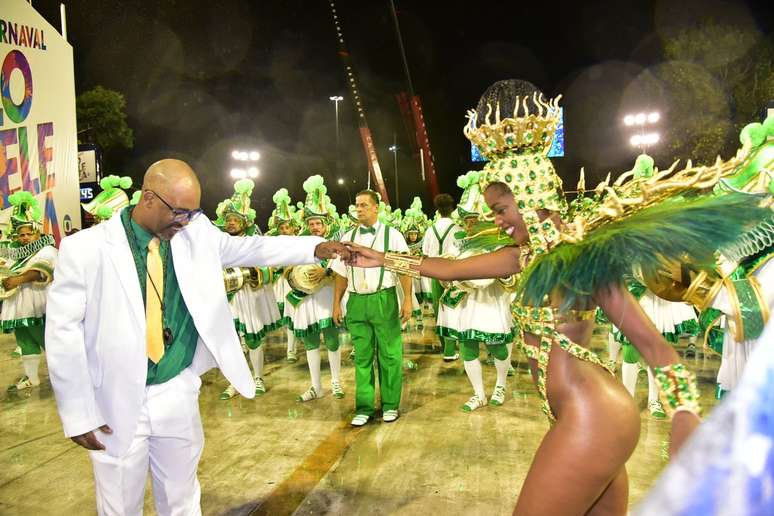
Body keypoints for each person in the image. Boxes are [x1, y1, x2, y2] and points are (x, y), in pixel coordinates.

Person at [346, 80, 766, 514]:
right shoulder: (521, 257)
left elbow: (659, 352)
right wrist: (380, 258)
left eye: (502, 210)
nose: (498, 221)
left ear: (531, 198)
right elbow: (449, 269)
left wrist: (684, 415)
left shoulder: (581, 260)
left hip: (595, 415)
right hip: (573, 413)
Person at [45, 159, 349, 515]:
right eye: (178, 212)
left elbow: (251, 248)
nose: (185, 221)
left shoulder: (193, 230)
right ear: (147, 199)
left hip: (176, 389)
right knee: (118, 506)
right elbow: (62, 332)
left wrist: (314, 248)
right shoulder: (85, 249)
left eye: (192, 213)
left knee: (182, 498)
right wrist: (77, 412)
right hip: (113, 401)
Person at [434, 171, 516, 412]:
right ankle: (479, 394)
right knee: (467, 347)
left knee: (497, 346)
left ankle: (500, 385)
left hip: (491, 301)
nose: (469, 223)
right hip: (467, 303)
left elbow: (512, 278)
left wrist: (501, 274)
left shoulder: (501, 241)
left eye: (474, 218)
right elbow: (446, 267)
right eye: (467, 218)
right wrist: (450, 278)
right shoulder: (457, 240)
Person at [331, 189, 413, 426]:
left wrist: (407, 298)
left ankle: (390, 405)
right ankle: (364, 407)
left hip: (383, 299)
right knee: (362, 357)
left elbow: (404, 268)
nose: (359, 209)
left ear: (377, 207)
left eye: (364, 205)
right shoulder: (347, 236)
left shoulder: (393, 235)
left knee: (389, 354)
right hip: (356, 301)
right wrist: (336, 303)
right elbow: (340, 274)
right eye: (357, 205)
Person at [215, 179, 283, 399]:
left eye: (235, 219)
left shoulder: (255, 240)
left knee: (252, 339)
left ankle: (257, 378)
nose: (231, 223)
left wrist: (253, 274)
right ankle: (235, 382)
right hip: (226, 297)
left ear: (244, 221)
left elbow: (269, 266)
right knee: (230, 340)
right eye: (228, 219)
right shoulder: (219, 241)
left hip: (248, 295)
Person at [289, 175, 345, 401]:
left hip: (326, 297)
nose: (314, 227)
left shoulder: (335, 243)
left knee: (331, 339)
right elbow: (287, 268)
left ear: (325, 224)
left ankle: (336, 382)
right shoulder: (298, 242)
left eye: (318, 223)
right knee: (310, 341)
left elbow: (342, 268)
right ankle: (315, 386)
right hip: (306, 298)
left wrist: (326, 272)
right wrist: (297, 276)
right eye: (311, 223)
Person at [1, 192, 57, 391]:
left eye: (28, 234)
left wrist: (17, 280)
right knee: (25, 340)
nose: (25, 238)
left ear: (38, 233)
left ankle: (62, 376)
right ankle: (32, 378)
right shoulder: (14, 253)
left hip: (39, 304)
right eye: (21, 235)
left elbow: (41, 271)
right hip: (18, 304)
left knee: (49, 341)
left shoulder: (47, 249)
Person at [421, 192, 463, 360]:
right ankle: (451, 349)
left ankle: (445, 347)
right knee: (453, 309)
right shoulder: (458, 229)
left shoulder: (431, 230)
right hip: (454, 273)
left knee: (439, 311)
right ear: (452, 209)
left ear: (437, 210)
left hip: (433, 273)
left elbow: (425, 253)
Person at [268, 187, 301, 363]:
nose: (285, 230)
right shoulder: (276, 243)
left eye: (287, 227)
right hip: (282, 283)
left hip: (296, 282)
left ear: (293, 227)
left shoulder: (300, 241)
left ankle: (298, 345)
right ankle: (291, 349)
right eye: (282, 228)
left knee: (298, 314)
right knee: (289, 316)